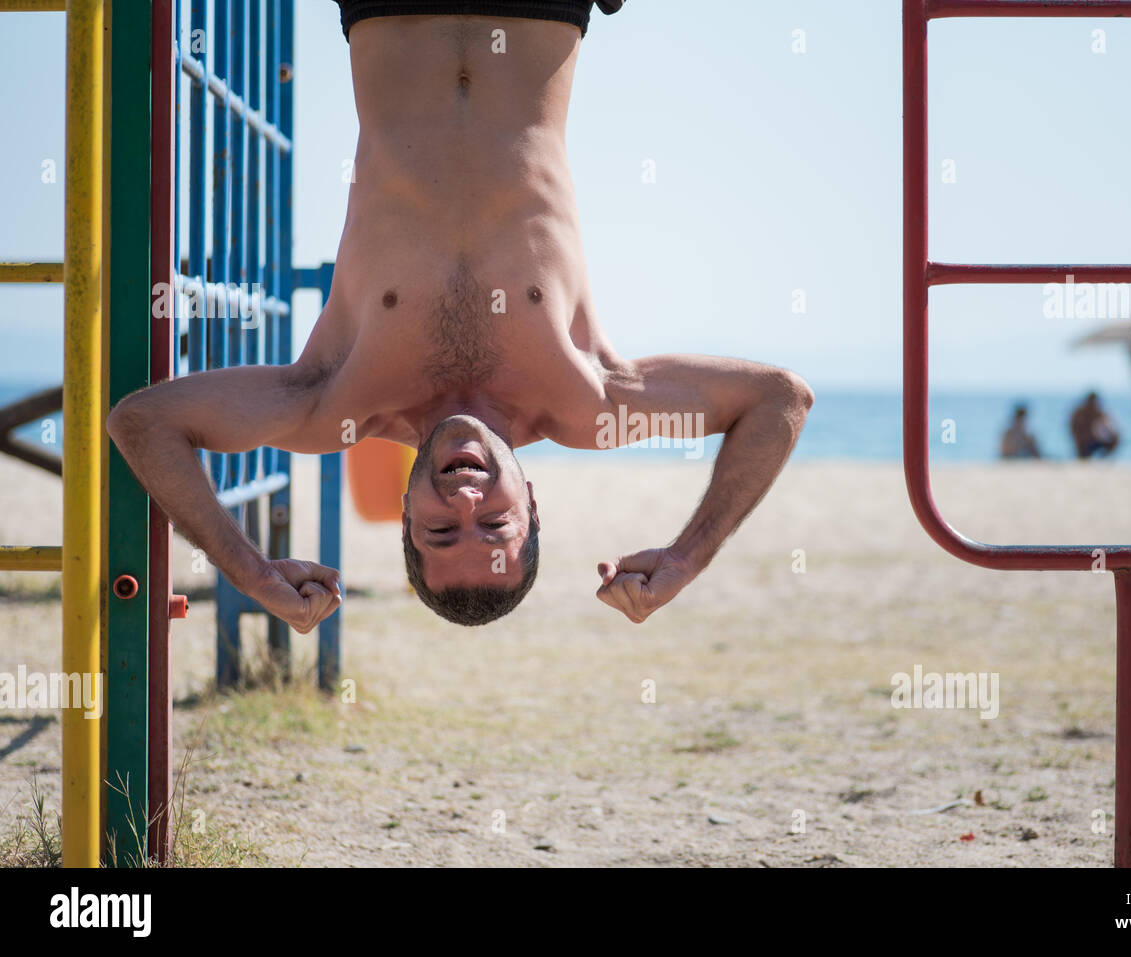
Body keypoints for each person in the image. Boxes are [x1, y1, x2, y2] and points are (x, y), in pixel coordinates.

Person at [107, 2, 814, 630]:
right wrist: (688, 559)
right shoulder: (592, 402)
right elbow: (780, 399)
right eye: (495, 521)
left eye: (443, 531)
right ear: (531, 503)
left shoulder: (335, 405)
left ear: (407, 520)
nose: (465, 496)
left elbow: (142, 422)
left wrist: (252, 573)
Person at [1068, 391, 1120, 459]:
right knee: (1083, 456)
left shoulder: (1097, 412)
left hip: (1092, 441)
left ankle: (1101, 459)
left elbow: (1108, 427)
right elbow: (1072, 427)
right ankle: (1086, 456)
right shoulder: (1079, 413)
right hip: (1082, 443)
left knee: (1115, 438)